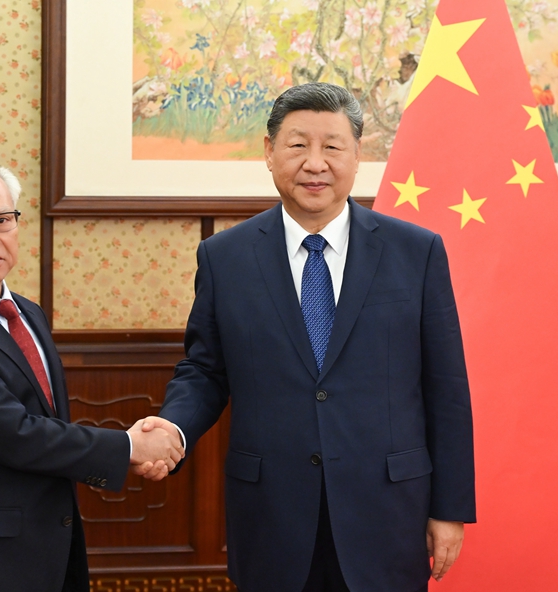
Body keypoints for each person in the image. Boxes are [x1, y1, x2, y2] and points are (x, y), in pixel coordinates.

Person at [153, 83, 476, 591]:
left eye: (332, 146)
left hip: (388, 511)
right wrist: (174, 429)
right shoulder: (225, 257)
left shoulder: (416, 252)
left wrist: (450, 508)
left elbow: (446, 388)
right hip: (272, 513)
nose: (315, 163)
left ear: (357, 155)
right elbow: (205, 371)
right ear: (269, 151)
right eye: (298, 145)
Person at [0, 159, 183, 592]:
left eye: (2, 220)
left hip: (46, 550)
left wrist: (132, 446)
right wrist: (129, 447)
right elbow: (16, 434)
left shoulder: (27, 313)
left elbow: (46, 425)